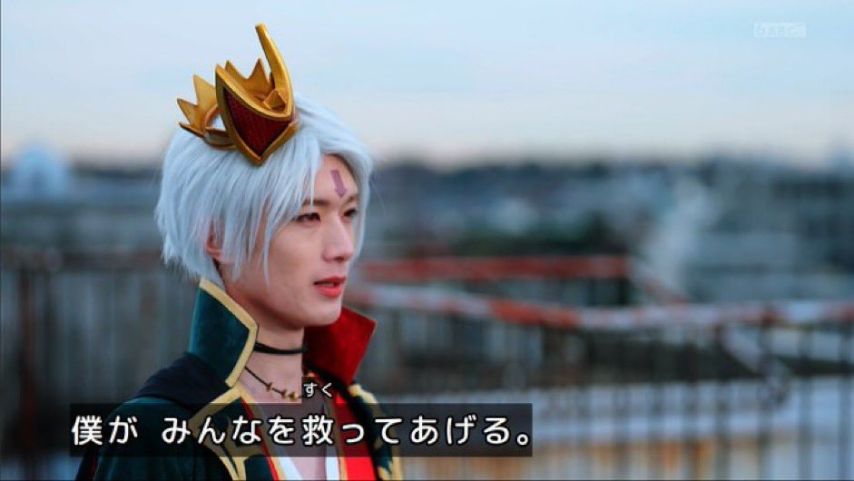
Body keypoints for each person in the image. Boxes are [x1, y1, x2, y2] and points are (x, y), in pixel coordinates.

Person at [76, 23, 402, 481]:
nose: (343, 248)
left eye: (348, 213)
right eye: (308, 216)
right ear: (218, 235)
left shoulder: (361, 418)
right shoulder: (158, 434)